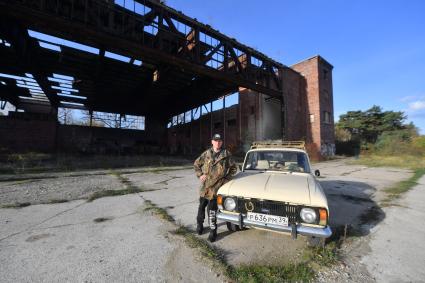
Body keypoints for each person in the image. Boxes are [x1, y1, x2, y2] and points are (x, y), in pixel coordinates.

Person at [193, 134, 237, 242]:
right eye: (215, 141)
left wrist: (226, 179)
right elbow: (196, 164)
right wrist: (200, 175)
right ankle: (200, 225)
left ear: (221, 142)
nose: (218, 143)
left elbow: (234, 168)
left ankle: (213, 231)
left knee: (212, 210)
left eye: (220, 141)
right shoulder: (206, 154)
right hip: (205, 187)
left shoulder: (226, 154)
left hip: (216, 187)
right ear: (212, 142)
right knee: (201, 207)